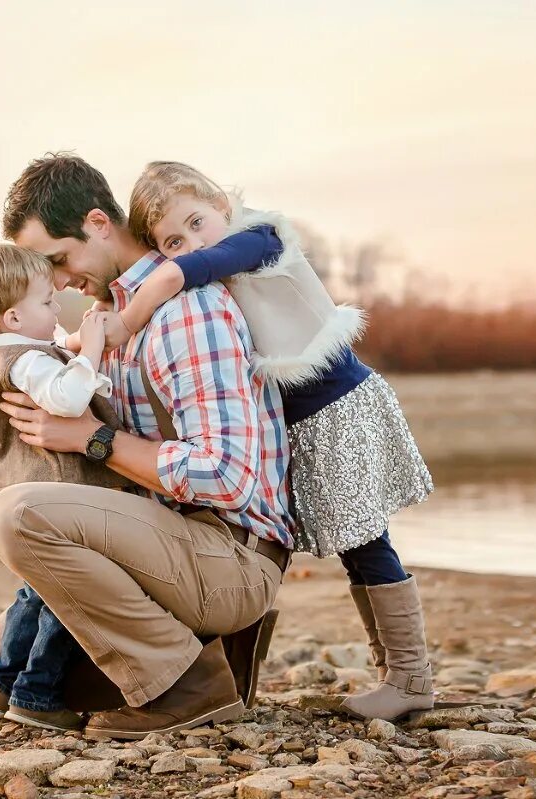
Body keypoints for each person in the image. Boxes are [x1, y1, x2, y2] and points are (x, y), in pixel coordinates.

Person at [0, 153, 294, 740]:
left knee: (19, 515)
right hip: (152, 547)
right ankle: (184, 654)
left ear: (98, 222)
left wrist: (92, 439)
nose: (57, 283)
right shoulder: (103, 325)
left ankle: (192, 686)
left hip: (228, 553)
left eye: (59, 261)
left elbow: (227, 476)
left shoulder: (187, 310)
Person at [106, 160, 435, 720]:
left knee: (367, 542)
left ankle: (409, 677)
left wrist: (125, 320)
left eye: (196, 222)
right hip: (307, 420)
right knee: (359, 547)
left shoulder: (260, 238)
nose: (191, 244)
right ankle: (397, 673)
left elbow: (172, 276)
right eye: (173, 240)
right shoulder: (217, 265)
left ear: (221, 203)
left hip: (335, 411)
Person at [0, 243, 125, 731]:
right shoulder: (24, 361)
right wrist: (90, 350)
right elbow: (68, 399)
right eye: (47, 303)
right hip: (58, 493)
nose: (57, 310)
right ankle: (37, 694)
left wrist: (73, 345)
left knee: (35, 594)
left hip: (25, 488)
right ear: (13, 317)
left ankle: (2, 685)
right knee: (68, 595)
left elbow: (52, 356)